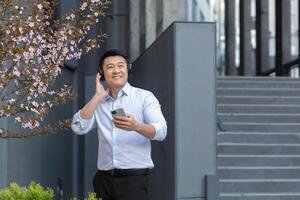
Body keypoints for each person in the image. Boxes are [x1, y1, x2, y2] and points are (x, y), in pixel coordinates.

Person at [71, 49, 167, 200]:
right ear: (101, 73)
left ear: (127, 68)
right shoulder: (99, 102)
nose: (116, 70)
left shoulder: (144, 97)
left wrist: (136, 126)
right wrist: (96, 98)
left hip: (134, 180)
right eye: (110, 67)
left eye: (120, 65)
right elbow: (78, 126)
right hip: (103, 181)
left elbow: (161, 131)